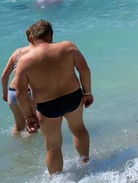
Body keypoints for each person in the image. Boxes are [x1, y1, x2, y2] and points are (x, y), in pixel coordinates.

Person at [11, 20, 93, 175]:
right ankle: (86, 163)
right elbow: (84, 70)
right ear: (51, 34)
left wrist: (28, 116)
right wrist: (87, 93)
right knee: (78, 128)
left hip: (47, 106)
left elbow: (20, 92)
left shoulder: (25, 61)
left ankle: (57, 179)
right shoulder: (68, 47)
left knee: (53, 147)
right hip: (72, 97)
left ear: (31, 38)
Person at [1, 32, 34, 133]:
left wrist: (5, 93)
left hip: (12, 92)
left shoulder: (17, 52)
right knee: (32, 124)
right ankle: (29, 148)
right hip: (27, 92)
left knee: (18, 126)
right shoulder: (37, 52)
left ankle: (14, 147)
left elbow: (4, 76)